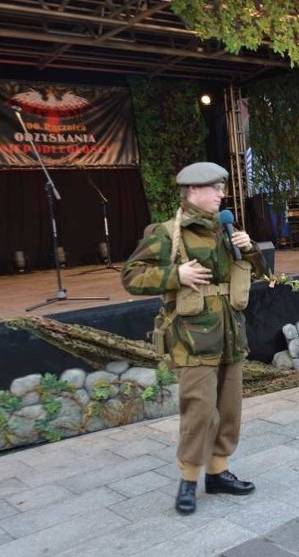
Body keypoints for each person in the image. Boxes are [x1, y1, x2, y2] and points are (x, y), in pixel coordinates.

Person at [121, 162, 266, 516]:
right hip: (192, 337)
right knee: (198, 411)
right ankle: (188, 480)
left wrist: (250, 250)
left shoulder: (227, 229)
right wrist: (176, 273)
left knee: (229, 409)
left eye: (221, 188)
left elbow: (261, 273)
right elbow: (131, 276)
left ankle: (217, 472)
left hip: (230, 333)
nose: (221, 194)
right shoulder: (167, 232)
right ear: (193, 191)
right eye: (215, 188)